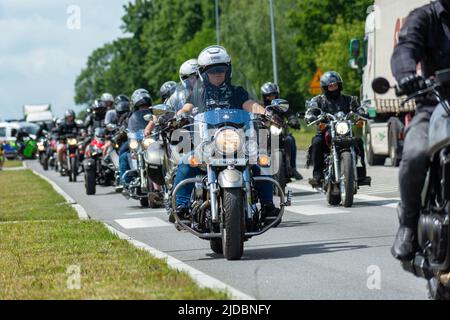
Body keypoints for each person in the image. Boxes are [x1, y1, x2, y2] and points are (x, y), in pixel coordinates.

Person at [173, 45, 279, 224]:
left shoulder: (237, 92)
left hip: (238, 142)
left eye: (221, 70)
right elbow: (187, 108)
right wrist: (178, 117)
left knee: (262, 160)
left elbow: (249, 104)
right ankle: (181, 208)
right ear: (203, 73)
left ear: (228, 70)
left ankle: (268, 205)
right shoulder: (198, 93)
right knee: (186, 161)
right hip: (208, 144)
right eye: (212, 71)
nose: (217, 74)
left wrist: (267, 114)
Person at [390, 0, 450, 261]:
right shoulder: (425, 17)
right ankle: (408, 224)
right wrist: (406, 74)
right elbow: (405, 49)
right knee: (414, 154)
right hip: (436, 105)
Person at [305, 71, 368, 187]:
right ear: (325, 88)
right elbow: (311, 111)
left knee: (358, 141)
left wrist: (362, 113)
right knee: (316, 142)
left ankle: (360, 172)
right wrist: (311, 116)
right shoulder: (318, 100)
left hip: (345, 130)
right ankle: (317, 174)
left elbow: (358, 108)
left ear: (339, 85)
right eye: (330, 86)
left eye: (335, 85)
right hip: (325, 131)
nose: (333, 88)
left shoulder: (349, 99)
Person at [261, 82, 303, 181]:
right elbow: (253, 116)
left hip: (280, 133)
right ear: (264, 96)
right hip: (265, 133)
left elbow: (289, 114)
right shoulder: (261, 107)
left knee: (290, 140)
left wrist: (293, 120)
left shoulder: (282, 105)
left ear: (277, 94)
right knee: (257, 143)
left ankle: (292, 167)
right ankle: (259, 168)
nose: (271, 98)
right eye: (268, 96)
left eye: (273, 95)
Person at [118, 89, 154, 187]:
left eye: (146, 106)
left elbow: (160, 121)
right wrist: (122, 130)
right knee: (124, 155)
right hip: (136, 140)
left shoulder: (154, 113)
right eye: (141, 106)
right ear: (135, 107)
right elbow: (125, 126)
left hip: (151, 139)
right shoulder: (128, 116)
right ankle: (125, 182)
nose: (144, 108)